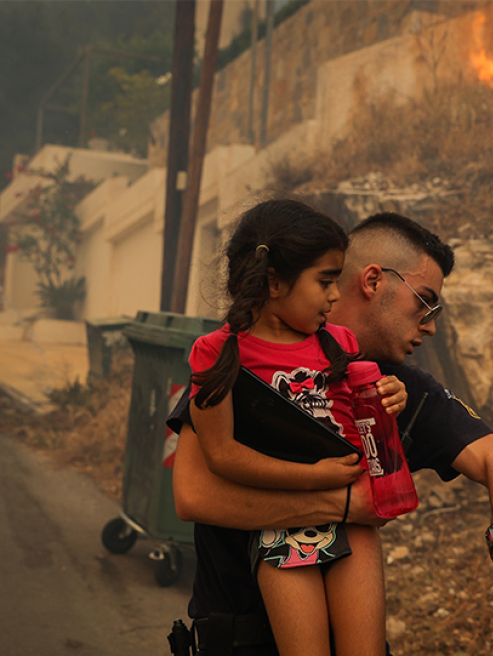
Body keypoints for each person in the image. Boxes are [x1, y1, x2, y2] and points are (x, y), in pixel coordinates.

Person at [169, 211, 493, 655]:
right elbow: (192, 494)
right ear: (373, 281)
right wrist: (343, 503)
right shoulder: (244, 360)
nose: (431, 324)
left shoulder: (400, 388)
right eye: (425, 301)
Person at [186, 199, 408, 656]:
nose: (334, 295)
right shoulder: (219, 353)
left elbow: (361, 422)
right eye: (326, 281)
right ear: (273, 281)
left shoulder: (339, 342)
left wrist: (390, 399)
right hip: (282, 524)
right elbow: (222, 456)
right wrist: (315, 478)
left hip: (355, 526)